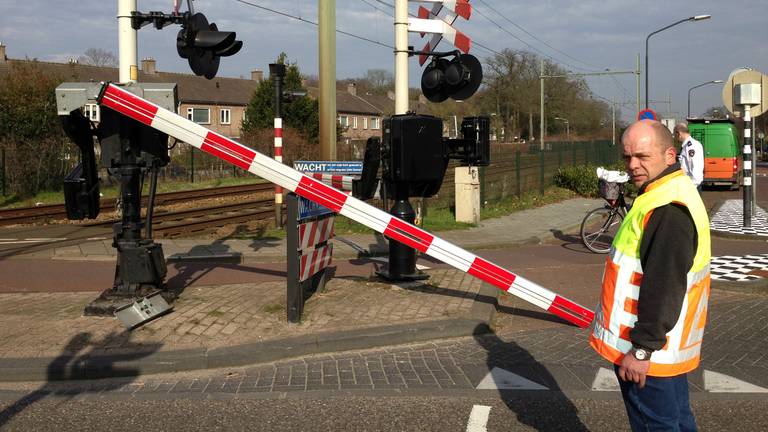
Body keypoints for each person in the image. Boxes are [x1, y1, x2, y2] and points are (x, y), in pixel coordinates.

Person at [589, 120, 711, 432]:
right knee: (677, 421)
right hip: (664, 349)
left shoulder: (668, 208)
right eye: (627, 157)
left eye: (643, 157)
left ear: (670, 155)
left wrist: (642, 349)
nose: (633, 165)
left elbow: (663, 285)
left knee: (656, 425)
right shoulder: (669, 190)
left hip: (647, 353)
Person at [674, 122, 705, 192]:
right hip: (689, 185)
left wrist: (689, 188)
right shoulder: (686, 146)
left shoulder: (691, 146)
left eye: (675, 135)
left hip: (692, 187)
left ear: (678, 134)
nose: (675, 138)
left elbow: (695, 167)